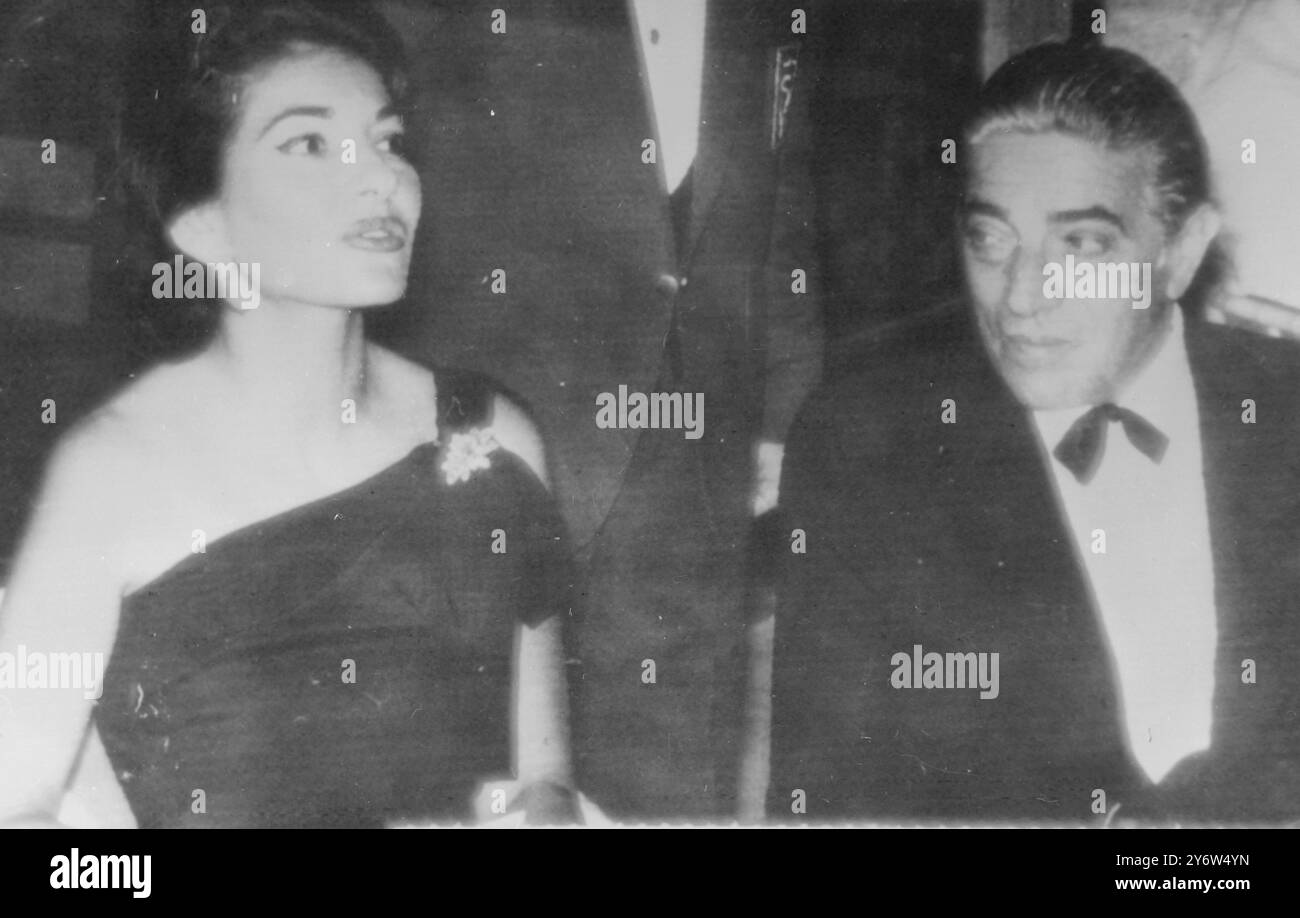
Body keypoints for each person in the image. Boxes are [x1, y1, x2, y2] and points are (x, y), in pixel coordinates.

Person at [0, 0, 573, 828]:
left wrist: (547, 810)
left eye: (388, 141)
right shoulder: (110, 479)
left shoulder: (488, 437)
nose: (381, 177)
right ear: (203, 225)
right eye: (311, 144)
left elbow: (543, 778)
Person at [769, 41, 1300, 823]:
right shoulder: (870, 449)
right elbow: (828, 806)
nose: (1019, 298)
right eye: (992, 239)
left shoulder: (1283, 414)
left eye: (1080, 246)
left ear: (1181, 253)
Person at [389, 0, 823, 821]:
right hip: (497, 433)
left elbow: (784, 200)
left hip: (696, 450)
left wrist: (783, 414)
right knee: (489, 773)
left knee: (676, 767)